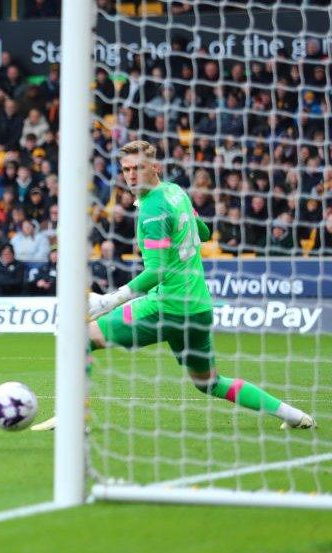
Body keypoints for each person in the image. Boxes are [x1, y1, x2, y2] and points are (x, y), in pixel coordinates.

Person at [32, 141, 314, 431]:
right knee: (210, 382)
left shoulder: (153, 207)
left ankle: (72, 415)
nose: (130, 175)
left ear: (154, 167)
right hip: (198, 307)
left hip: (166, 306)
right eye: (126, 169)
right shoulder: (175, 192)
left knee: (78, 337)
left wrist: (110, 300)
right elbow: (203, 233)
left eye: (138, 168)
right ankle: (294, 416)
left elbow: (158, 270)